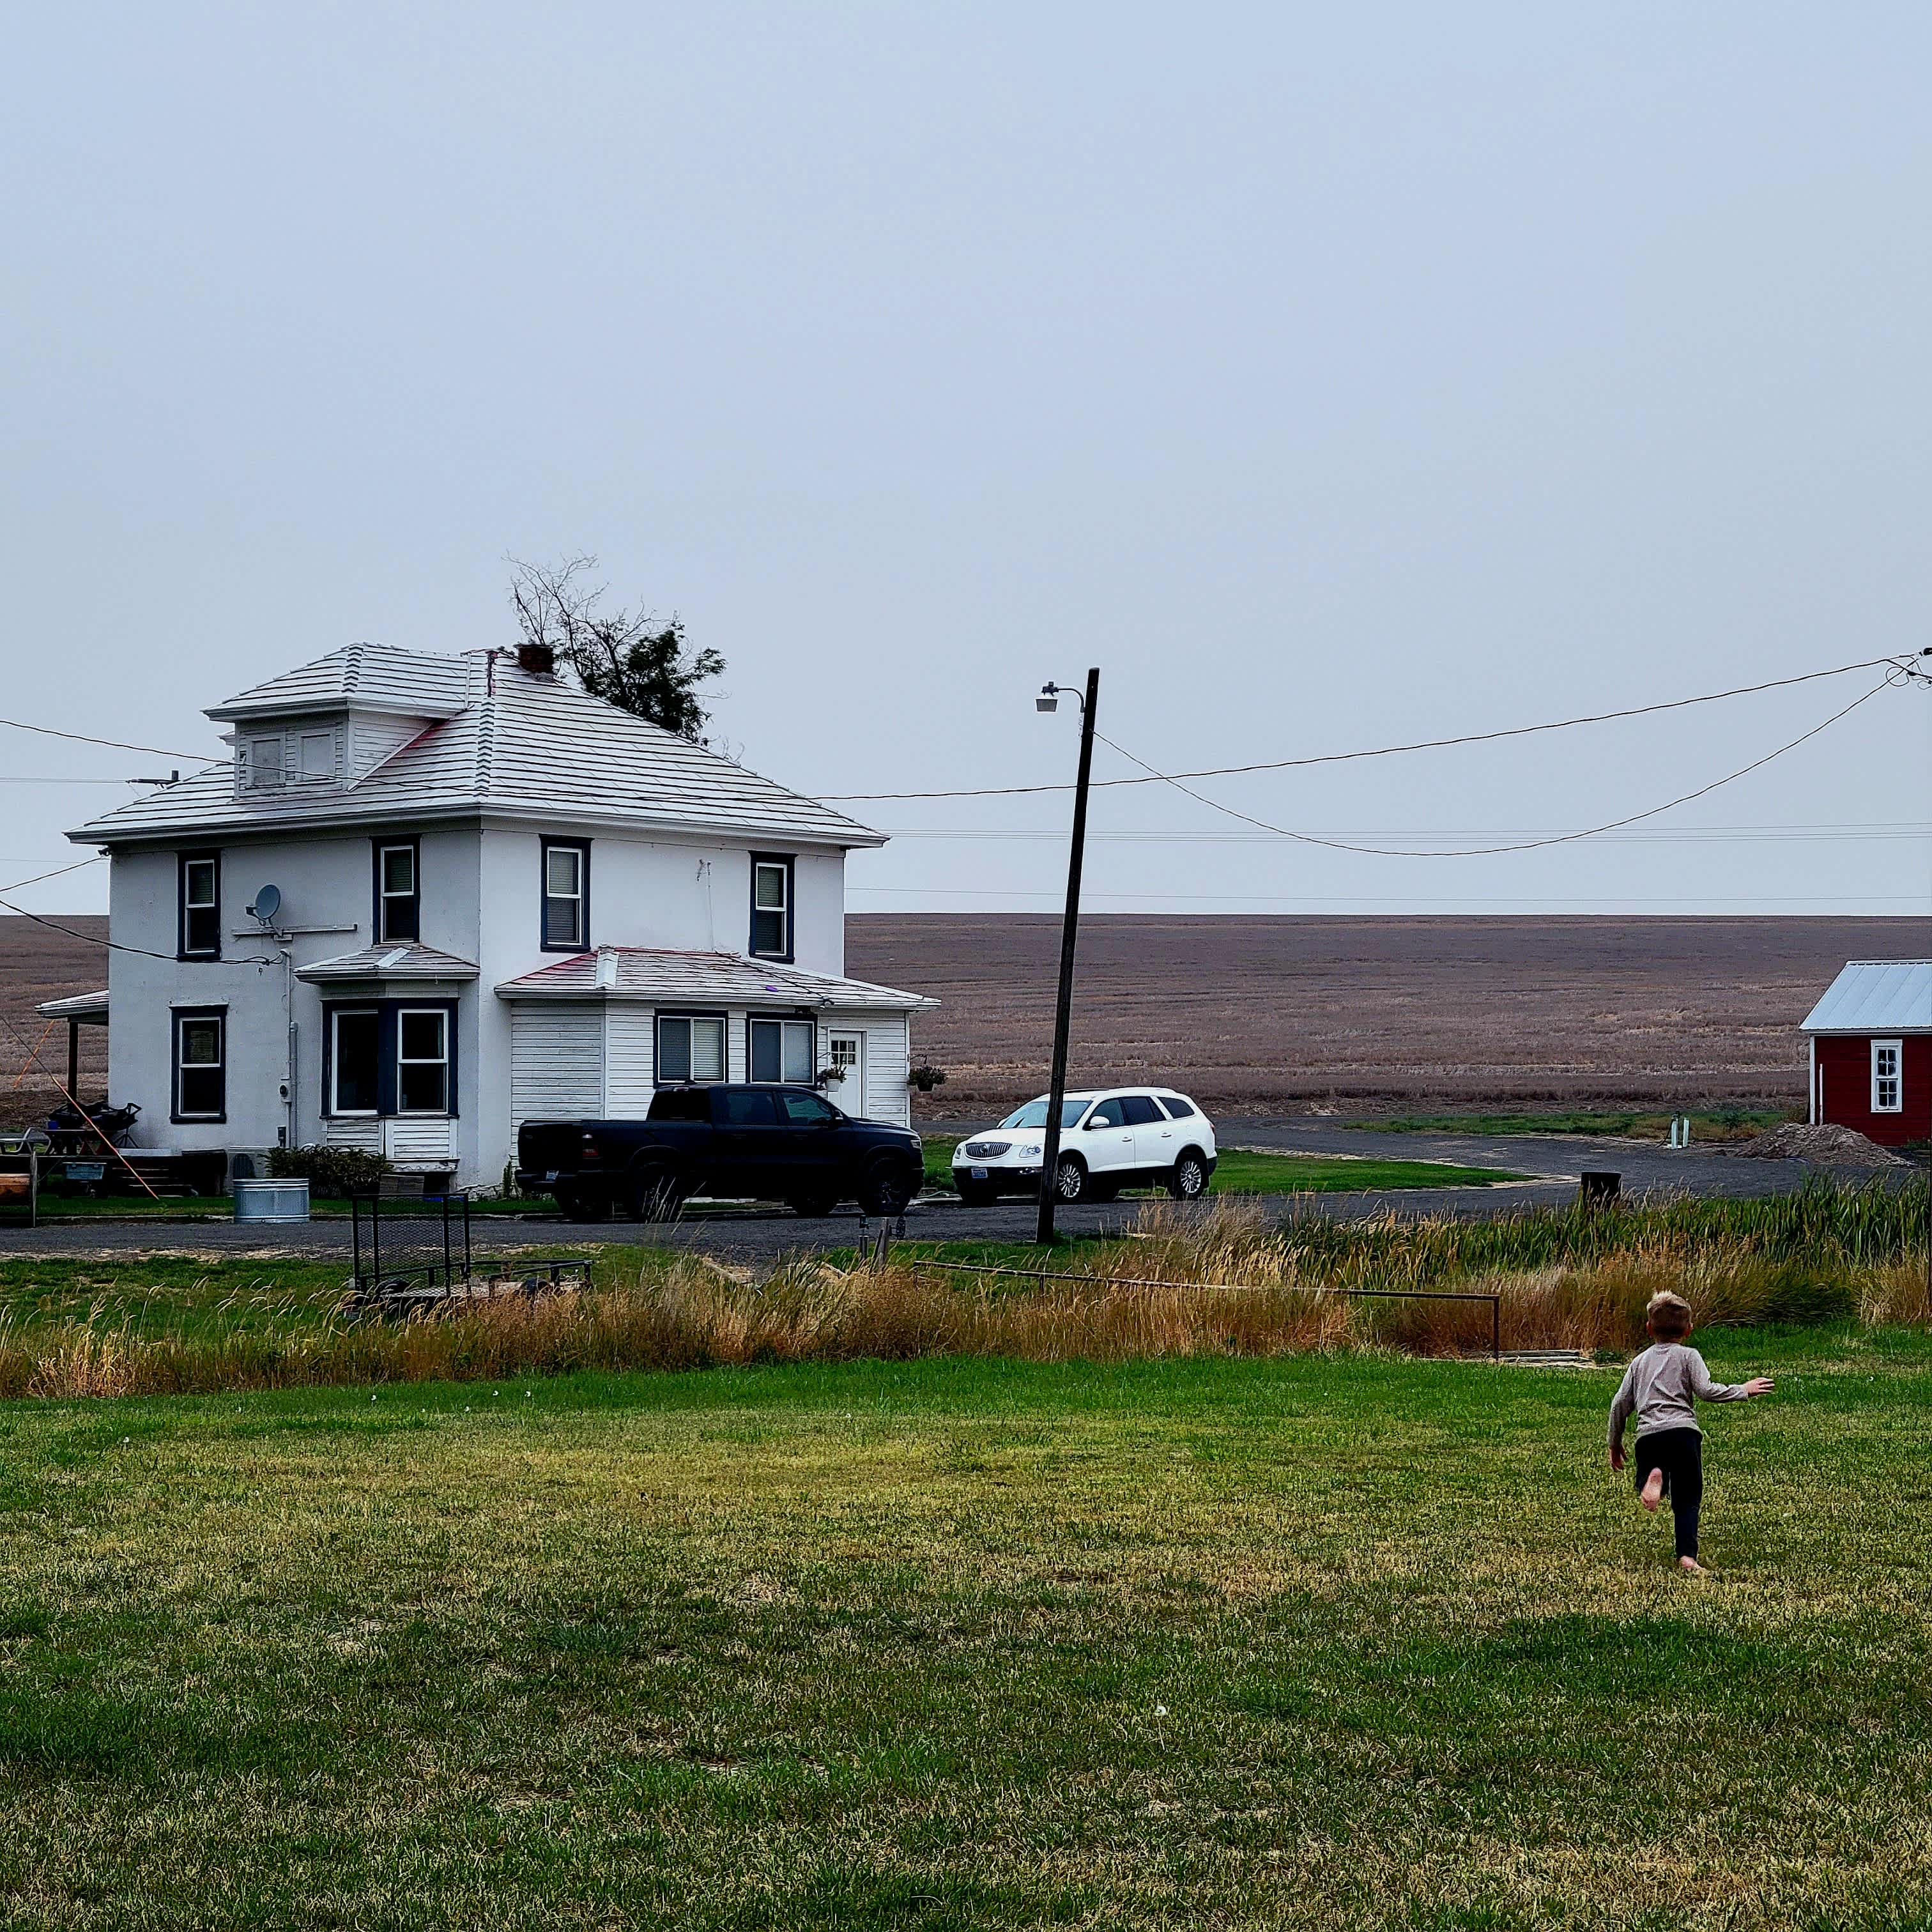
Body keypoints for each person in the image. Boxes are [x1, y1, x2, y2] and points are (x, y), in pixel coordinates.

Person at [1607, 1291, 1774, 1574]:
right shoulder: (1689, 1356)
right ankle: (1687, 1557)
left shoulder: (1639, 1362)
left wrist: (1614, 1441)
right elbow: (1707, 1391)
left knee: (1649, 1473)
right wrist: (1743, 1390)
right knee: (1687, 1498)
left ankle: (1654, 1475)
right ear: (1689, 1329)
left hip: (1649, 1435)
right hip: (1684, 1434)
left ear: (1649, 1328)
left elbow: (1620, 1404)